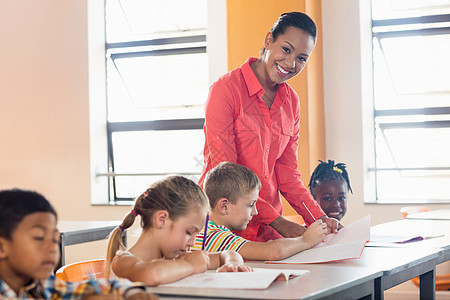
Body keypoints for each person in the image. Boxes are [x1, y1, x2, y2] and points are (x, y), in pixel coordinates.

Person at [199, 11, 340, 242]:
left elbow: (288, 176)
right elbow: (227, 173)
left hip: (268, 229)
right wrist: (277, 221)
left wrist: (318, 219)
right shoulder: (225, 91)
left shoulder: (291, 102)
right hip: (225, 223)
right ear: (268, 41)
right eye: (286, 49)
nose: (291, 63)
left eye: (302, 58)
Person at [0, 188, 156, 299]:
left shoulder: (38, 284)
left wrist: (129, 292)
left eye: (54, 239)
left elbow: (81, 288)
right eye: (39, 237)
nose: (52, 249)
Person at [105, 176, 252, 286]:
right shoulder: (123, 261)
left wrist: (232, 264)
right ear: (162, 219)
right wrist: (191, 265)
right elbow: (153, 274)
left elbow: (227, 254)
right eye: (189, 232)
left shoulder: (175, 258)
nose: (193, 242)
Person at [191, 162, 327, 260]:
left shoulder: (202, 227)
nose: (255, 212)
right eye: (250, 205)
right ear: (224, 206)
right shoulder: (215, 236)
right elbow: (273, 251)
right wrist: (306, 240)